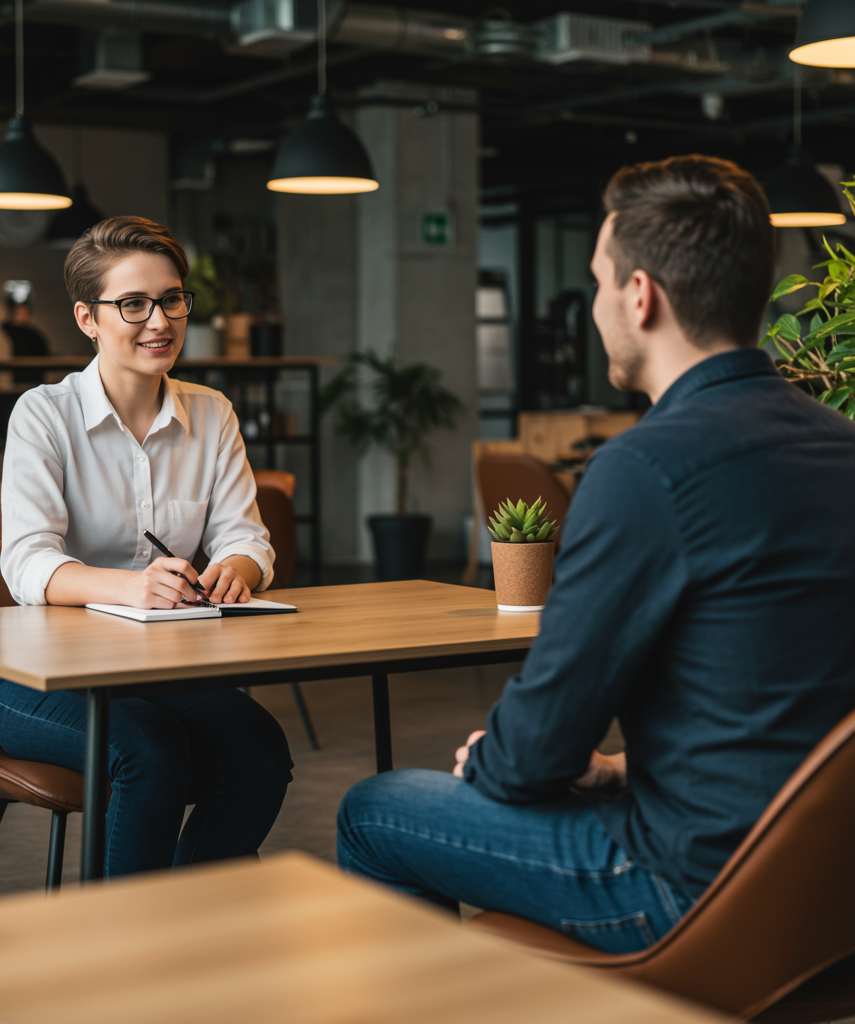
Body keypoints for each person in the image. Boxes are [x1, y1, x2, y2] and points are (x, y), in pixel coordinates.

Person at [336, 155, 855, 952]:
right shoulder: (840, 445)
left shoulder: (646, 468)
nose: (597, 304)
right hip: (830, 893)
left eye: (600, 282)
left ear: (640, 296)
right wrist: (615, 769)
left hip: (698, 895)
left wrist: (501, 760)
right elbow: (778, 701)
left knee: (375, 811)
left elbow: (536, 748)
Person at [0, 216, 293, 877]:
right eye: (133, 303)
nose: (160, 321)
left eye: (172, 299)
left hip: (161, 673)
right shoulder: (44, 415)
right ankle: (120, 946)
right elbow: (26, 562)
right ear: (87, 318)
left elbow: (247, 537)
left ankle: (186, 914)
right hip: (40, 680)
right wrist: (128, 586)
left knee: (260, 749)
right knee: (147, 750)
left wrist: (237, 570)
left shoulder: (210, 413)